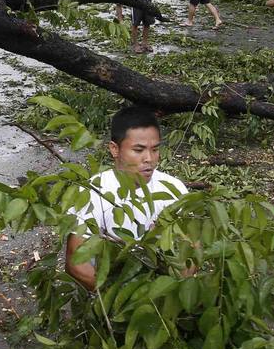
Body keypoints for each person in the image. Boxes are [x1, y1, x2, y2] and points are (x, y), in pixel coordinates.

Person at [65, 106, 187, 291]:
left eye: (155, 150)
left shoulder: (173, 189)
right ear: (115, 149)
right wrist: (118, 299)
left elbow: (192, 248)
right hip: (110, 287)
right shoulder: (92, 193)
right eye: (138, 150)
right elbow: (76, 263)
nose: (149, 159)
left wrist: (171, 290)